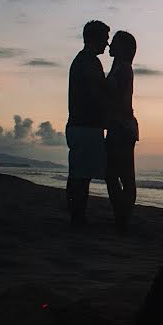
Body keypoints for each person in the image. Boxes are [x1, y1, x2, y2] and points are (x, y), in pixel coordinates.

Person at [66, 20, 110, 226]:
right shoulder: (89, 61)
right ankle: (78, 217)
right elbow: (96, 93)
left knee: (78, 173)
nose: (107, 44)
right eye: (105, 39)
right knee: (82, 176)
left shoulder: (82, 60)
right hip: (85, 126)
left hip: (79, 125)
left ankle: (75, 214)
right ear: (96, 38)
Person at [104, 30, 139, 231]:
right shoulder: (120, 68)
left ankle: (122, 216)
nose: (109, 46)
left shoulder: (124, 69)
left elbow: (118, 98)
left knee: (120, 175)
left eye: (114, 43)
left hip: (122, 126)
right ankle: (122, 215)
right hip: (121, 125)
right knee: (118, 175)